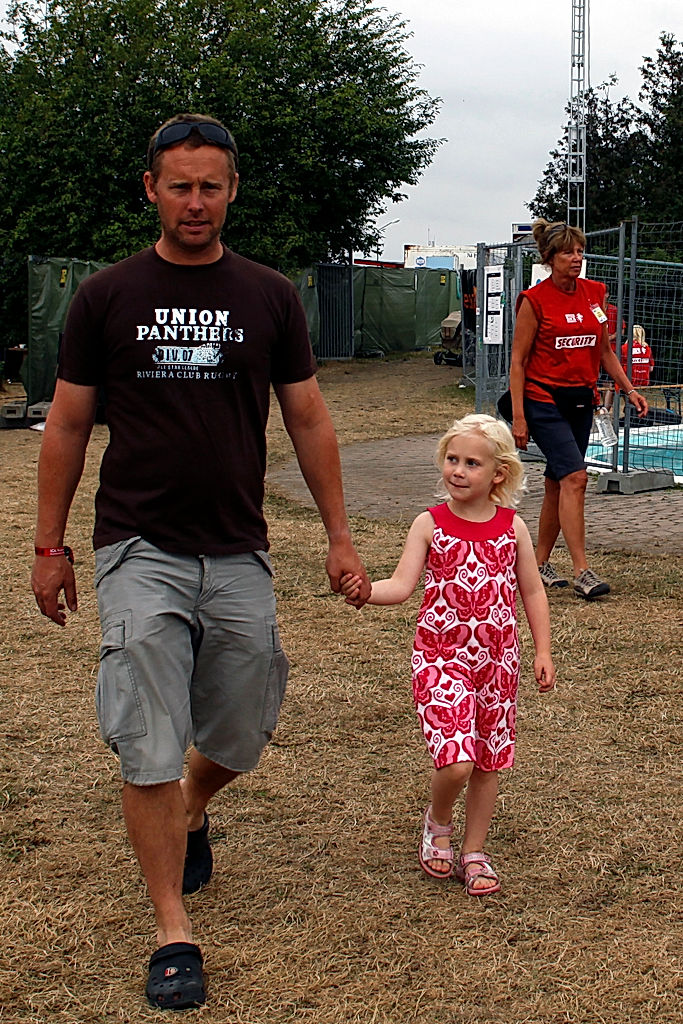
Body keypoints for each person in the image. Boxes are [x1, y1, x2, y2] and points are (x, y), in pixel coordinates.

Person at [31, 112, 370, 1011]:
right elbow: (67, 424)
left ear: (230, 191)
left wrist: (338, 534)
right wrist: (47, 546)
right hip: (136, 543)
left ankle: (194, 799)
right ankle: (172, 927)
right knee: (144, 726)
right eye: (178, 185)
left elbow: (305, 417)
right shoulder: (105, 297)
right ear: (150, 188)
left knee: (244, 716)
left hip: (237, 545)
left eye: (209, 185)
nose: (194, 201)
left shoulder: (267, 296)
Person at [341, 414, 555, 895]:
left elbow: (533, 593)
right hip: (441, 659)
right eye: (452, 460)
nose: (458, 471)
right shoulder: (429, 523)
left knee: (488, 761)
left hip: (498, 663)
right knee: (456, 760)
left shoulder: (512, 527)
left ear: (498, 474)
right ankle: (438, 822)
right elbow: (400, 585)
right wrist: (363, 592)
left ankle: (474, 851)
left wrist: (541, 650)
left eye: (471, 463)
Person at [509, 219, 649, 600]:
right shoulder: (534, 300)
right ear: (550, 258)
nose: (577, 258)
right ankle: (582, 570)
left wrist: (629, 388)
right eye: (569, 252)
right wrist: (520, 417)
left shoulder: (594, 293)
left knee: (557, 483)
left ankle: (537, 564)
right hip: (542, 398)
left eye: (580, 251)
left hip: (580, 399)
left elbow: (604, 350)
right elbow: (518, 362)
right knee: (576, 478)